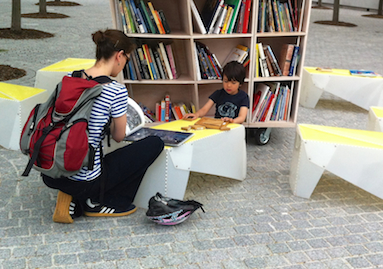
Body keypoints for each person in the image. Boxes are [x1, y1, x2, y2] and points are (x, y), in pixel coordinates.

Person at [42, 29, 164, 223]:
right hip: (87, 181)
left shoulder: (70, 77)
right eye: (127, 60)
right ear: (119, 56)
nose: (124, 65)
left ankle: (72, 196)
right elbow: (118, 135)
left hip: (53, 171)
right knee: (154, 144)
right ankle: (98, 202)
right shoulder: (115, 90)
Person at [184, 61, 249, 124]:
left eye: (233, 83)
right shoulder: (218, 93)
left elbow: (242, 117)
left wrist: (232, 121)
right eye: (225, 81)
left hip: (234, 128)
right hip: (217, 127)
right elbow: (205, 109)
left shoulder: (244, 97)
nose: (228, 85)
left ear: (240, 83)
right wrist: (196, 114)